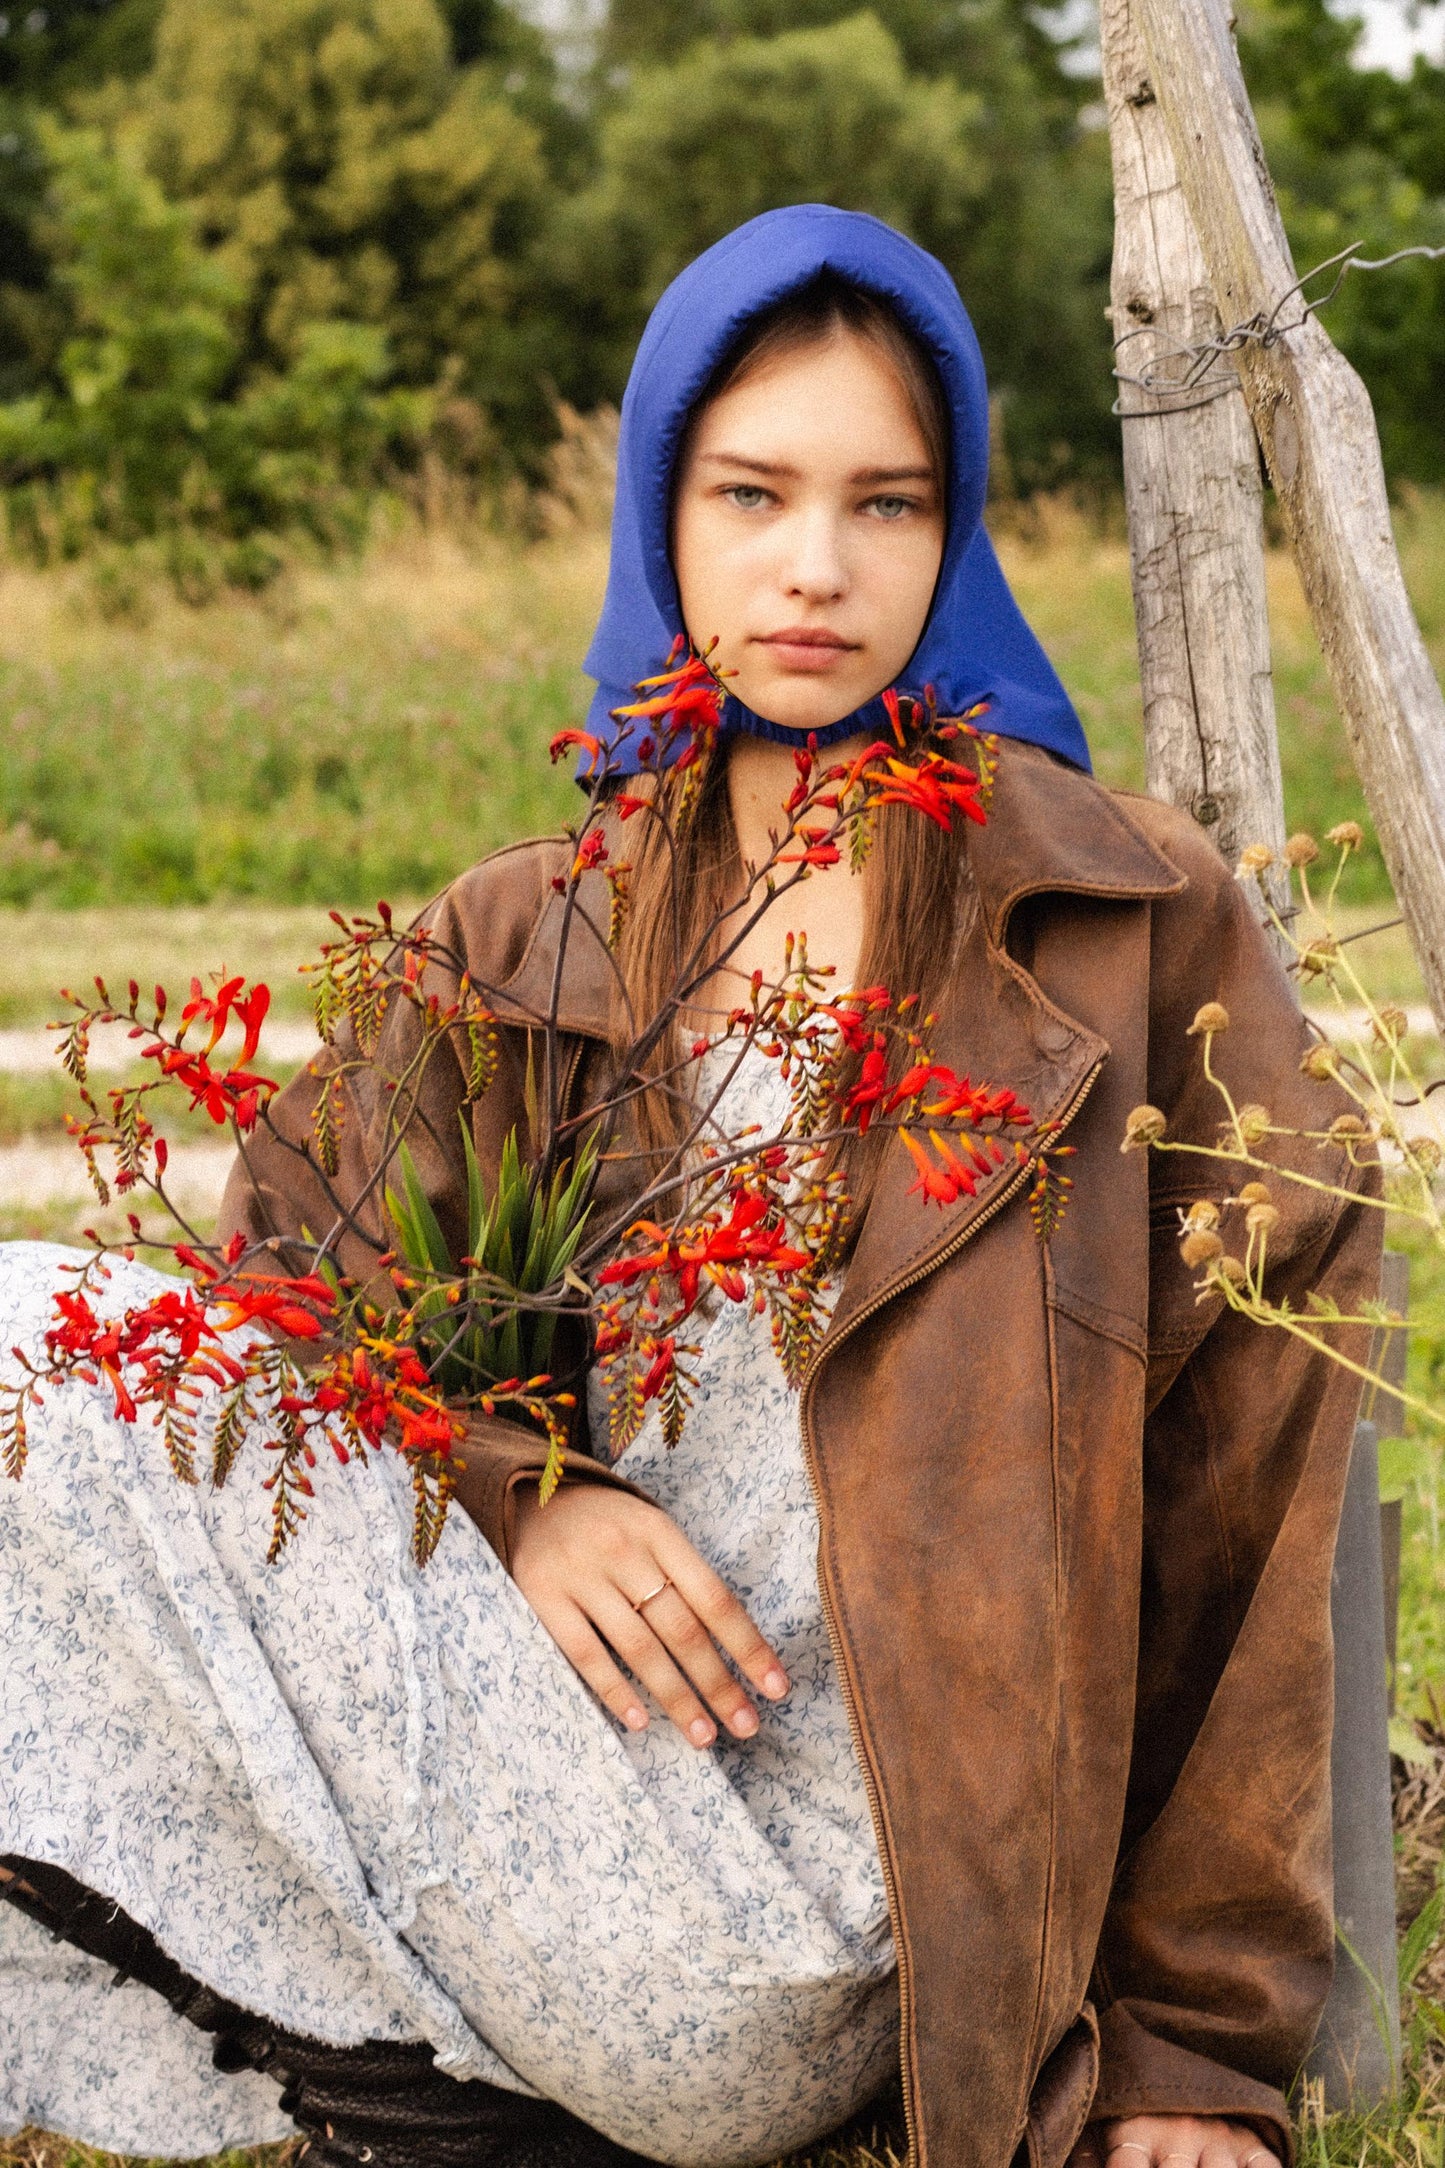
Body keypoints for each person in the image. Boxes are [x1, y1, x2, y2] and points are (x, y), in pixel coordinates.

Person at [0, 206, 1379, 2168]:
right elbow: (297, 1294)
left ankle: (432, 2073)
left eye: (886, 503)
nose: (816, 566)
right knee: (39, 1356)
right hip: (548, 1797)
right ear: (660, 515)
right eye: (751, 493)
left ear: (956, 532)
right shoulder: (532, 930)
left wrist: (1194, 2054)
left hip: (822, 1933)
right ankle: (441, 2097)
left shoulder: (1123, 926)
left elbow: (1257, 1511)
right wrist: (523, 1486)